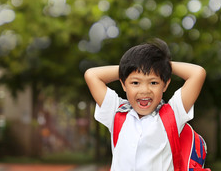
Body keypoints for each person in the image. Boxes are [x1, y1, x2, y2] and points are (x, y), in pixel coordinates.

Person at [84, 38, 206, 171]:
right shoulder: (116, 112)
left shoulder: (173, 114)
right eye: (135, 83)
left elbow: (197, 73)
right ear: (123, 84)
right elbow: (91, 75)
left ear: (165, 84)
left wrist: (162, 65)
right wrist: (130, 66)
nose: (145, 91)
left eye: (153, 82)